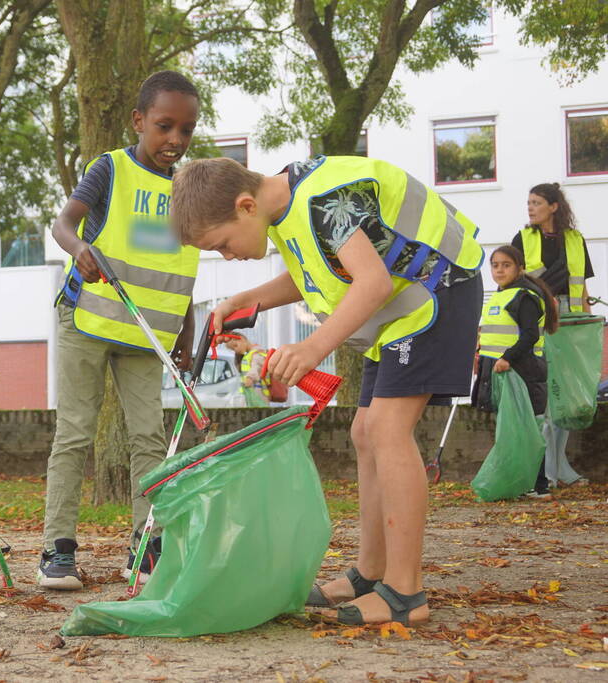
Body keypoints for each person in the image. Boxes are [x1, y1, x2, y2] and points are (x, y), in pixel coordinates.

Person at [170, 155, 485, 627]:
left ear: (245, 205)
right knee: (364, 432)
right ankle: (371, 573)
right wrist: (245, 300)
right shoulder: (284, 208)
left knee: (386, 430)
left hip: (436, 292)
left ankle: (405, 592)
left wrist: (313, 347)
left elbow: (373, 281)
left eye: (222, 245)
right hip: (404, 307)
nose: (227, 256)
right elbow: (313, 272)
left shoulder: (324, 201)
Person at [38, 71, 201, 591]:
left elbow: (178, 270)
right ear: (138, 121)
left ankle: (146, 547)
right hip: (86, 318)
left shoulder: (190, 188)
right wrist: (78, 248)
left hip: (147, 335)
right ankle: (56, 550)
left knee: (149, 439)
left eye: (186, 130)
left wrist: (185, 337)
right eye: (164, 126)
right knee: (75, 433)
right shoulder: (109, 168)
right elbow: (64, 223)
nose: (175, 140)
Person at [511, 183, 593, 488]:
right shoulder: (523, 239)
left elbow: (582, 288)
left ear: (554, 206)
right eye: (528, 202)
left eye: (536, 202)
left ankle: (560, 466)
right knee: (546, 396)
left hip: (569, 325)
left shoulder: (575, 240)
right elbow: (515, 284)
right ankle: (545, 470)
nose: (530, 208)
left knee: (565, 397)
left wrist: (585, 324)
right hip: (539, 325)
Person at [472, 245, 559, 497]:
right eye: (495, 265)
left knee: (529, 430)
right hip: (501, 373)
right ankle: (520, 482)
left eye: (506, 265)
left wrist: (507, 358)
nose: (499, 270)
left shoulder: (524, 296)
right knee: (513, 431)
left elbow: (531, 334)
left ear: (519, 268)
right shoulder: (501, 294)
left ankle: (539, 485)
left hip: (523, 372)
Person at [222, 332, 284, 406]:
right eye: (233, 349)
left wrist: (250, 378)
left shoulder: (257, 353)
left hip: (259, 393)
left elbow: (256, 366)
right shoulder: (249, 355)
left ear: (242, 339)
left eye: (235, 346)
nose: (236, 350)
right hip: (252, 393)